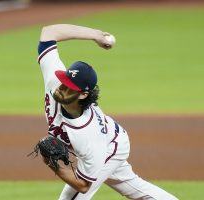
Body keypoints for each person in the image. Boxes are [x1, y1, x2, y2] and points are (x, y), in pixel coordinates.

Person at [37, 24, 178, 200]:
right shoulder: (54, 83)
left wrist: (53, 164)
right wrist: (95, 35)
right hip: (110, 134)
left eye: (70, 87)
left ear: (83, 95)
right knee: (133, 187)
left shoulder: (86, 134)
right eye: (64, 81)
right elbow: (48, 32)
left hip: (110, 146)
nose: (62, 88)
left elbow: (83, 186)